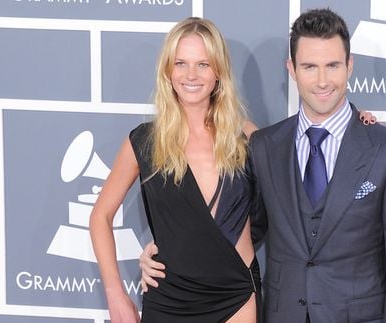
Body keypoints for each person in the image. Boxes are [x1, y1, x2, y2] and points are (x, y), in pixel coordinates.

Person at [140, 9, 386, 323]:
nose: (321, 80)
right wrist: (165, 252)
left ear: (349, 66)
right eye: (309, 66)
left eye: (332, 65)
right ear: (292, 70)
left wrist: (360, 128)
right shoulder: (268, 144)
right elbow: (227, 220)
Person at [89, 17, 263, 323]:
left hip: (236, 295)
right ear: (167, 71)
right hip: (169, 297)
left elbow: (303, 172)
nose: (191, 75)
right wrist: (115, 293)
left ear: (218, 71)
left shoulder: (247, 137)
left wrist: (356, 122)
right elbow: (100, 216)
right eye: (180, 63)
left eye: (203, 64)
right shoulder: (143, 142)